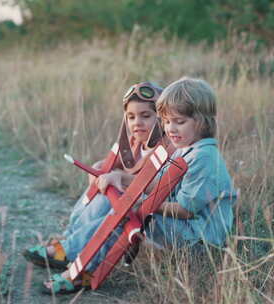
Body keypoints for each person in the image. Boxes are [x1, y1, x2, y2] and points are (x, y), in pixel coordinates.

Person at [38, 76, 237, 295]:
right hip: (185, 228)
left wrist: (140, 203)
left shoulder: (203, 156)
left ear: (201, 121)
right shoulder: (184, 148)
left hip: (200, 239)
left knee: (129, 213)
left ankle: (81, 272)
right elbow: (157, 186)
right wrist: (123, 182)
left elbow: (186, 210)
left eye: (179, 122)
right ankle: (75, 253)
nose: (170, 129)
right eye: (167, 121)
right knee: (125, 206)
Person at [21, 82, 171, 274]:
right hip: (123, 200)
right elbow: (117, 166)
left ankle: (70, 250)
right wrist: (100, 167)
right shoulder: (135, 143)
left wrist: (117, 177)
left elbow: (154, 186)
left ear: (161, 118)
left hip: (144, 210)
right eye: (131, 117)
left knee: (109, 199)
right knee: (101, 191)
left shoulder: (164, 150)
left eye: (146, 116)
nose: (137, 123)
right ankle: (68, 241)